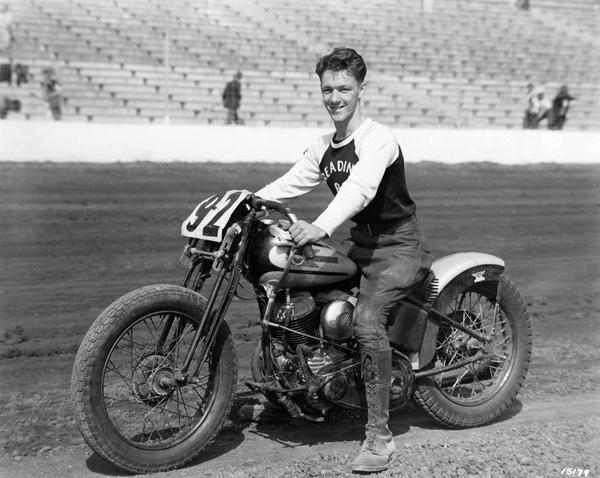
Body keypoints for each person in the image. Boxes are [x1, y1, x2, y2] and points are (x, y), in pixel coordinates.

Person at [255, 47, 432, 473]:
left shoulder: (378, 138)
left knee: (366, 321)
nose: (335, 98)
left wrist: (320, 225)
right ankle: (297, 391)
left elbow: (360, 189)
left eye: (344, 89)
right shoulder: (323, 145)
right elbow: (290, 182)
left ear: (361, 90)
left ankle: (379, 438)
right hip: (361, 244)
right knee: (303, 295)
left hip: (398, 246)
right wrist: (246, 203)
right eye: (327, 89)